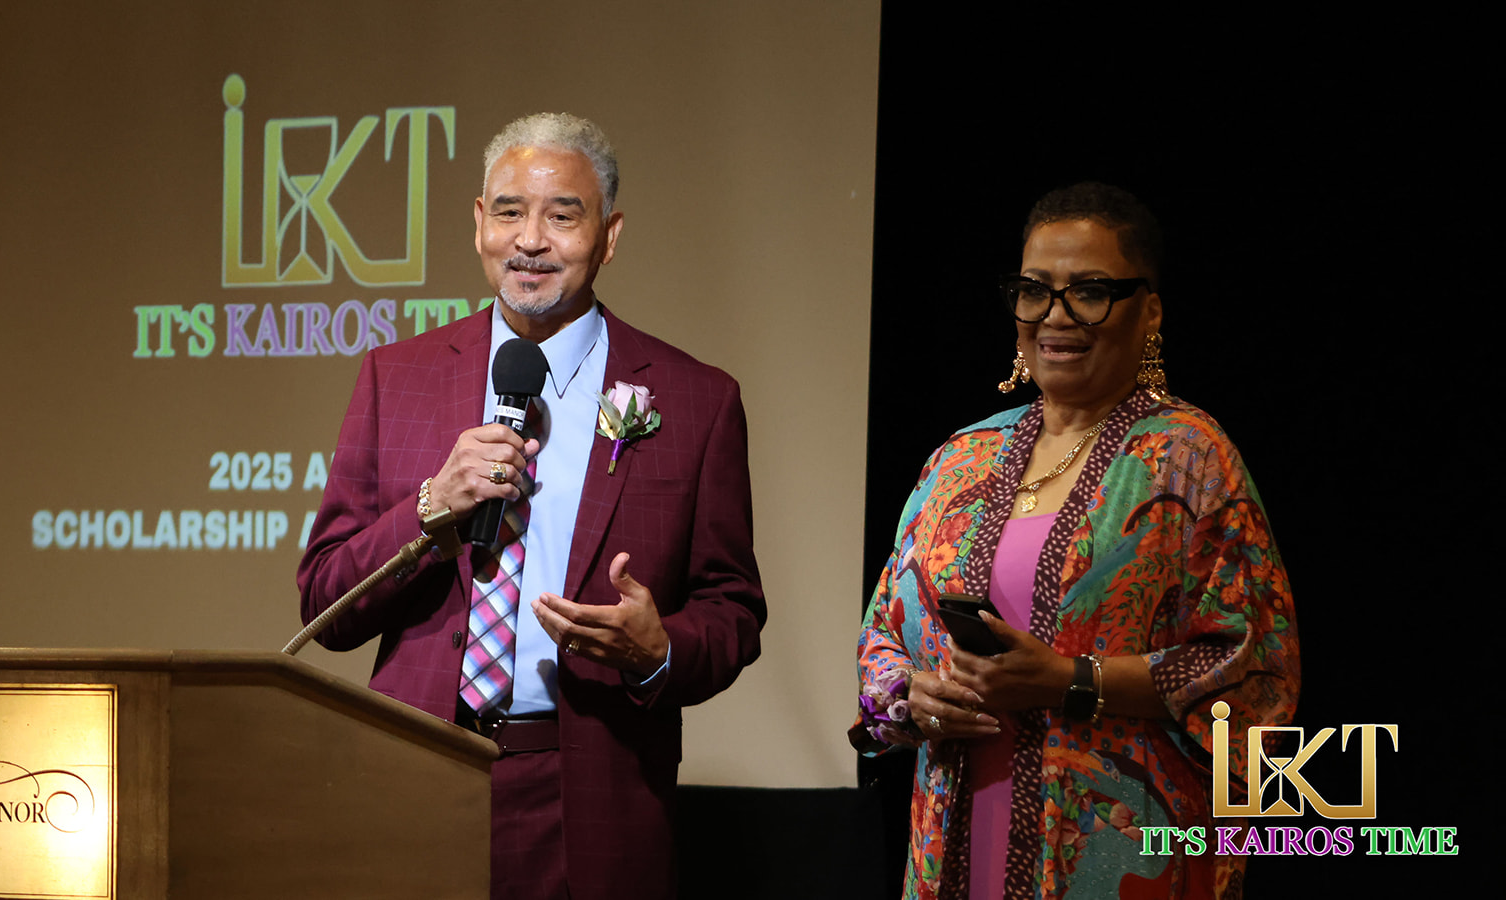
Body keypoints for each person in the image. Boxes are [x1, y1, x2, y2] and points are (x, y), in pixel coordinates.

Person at [299, 112, 765, 900]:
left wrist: (658, 648)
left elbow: (733, 610)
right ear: (479, 224)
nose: (531, 241)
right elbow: (325, 602)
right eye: (510, 211)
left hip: (589, 787)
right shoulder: (396, 376)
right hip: (417, 767)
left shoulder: (695, 399)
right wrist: (428, 509)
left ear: (609, 236)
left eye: (563, 214)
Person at [851, 183, 1299, 900]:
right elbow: (881, 638)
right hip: (952, 842)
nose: (1055, 317)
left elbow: (1256, 672)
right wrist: (911, 697)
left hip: (1118, 854)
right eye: (1035, 291)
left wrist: (1073, 682)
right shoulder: (959, 458)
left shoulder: (1189, 458)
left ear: (1149, 310)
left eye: (1089, 291)